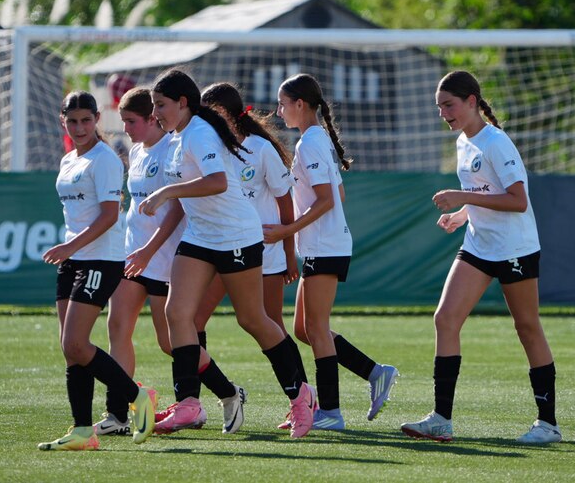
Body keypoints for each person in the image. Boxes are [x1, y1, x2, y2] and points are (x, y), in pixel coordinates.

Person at [140, 69, 316, 438]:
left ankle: (301, 395)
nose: (155, 113)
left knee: (252, 319)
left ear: (183, 103)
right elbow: (187, 193)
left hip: (236, 235)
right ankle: (188, 404)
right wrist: (151, 240)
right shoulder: (178, 137)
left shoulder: (200, 132)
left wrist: (166, 192)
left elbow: (217, 182)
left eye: (160, 105)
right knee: (178, 314)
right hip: (201, 236)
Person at [400, 70, 560, 444]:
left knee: (527, 327)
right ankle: (441, 419)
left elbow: (518, 201)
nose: (443, 113)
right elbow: (484, 191)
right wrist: (462, 214)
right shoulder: (463, 142)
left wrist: (462, 197)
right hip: (478, 244)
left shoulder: (496, 142)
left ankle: (548, 424)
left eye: (449, 105)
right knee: (445, 319)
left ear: (471, 101)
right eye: (439, 107)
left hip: (514, 248)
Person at [94, 87, 245, 436]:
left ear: (152, 118)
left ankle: (228, 392)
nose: (125, 128)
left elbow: (177, 208)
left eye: (131, 121)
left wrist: (149, 250)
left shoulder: (172, 149)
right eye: (123, 121)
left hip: (163, 258)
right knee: (117, 326)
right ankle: (118, 414)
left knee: (171, 343)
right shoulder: (137, 150)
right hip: (133, 255)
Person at [264, 73, 399, 430]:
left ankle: (331, 413)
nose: (278, 111)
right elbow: (338, 195)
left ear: (300, 104)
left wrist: (286, 231)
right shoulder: (317, 139)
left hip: (325, 247)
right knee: (304, 329)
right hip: (323, 244)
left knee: (317, 328)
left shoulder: (310, 143)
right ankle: (375, 372)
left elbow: (326, 200)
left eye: (282, 104)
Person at [38, 91, 154, 451]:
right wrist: (69, 251)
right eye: (72, 121)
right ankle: (82, 431)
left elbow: (108, 216)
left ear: (97, 119)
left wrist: (69, 247)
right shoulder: (68, 159)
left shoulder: (104, 159)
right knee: (70, 349)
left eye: (86, 120)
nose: (79, 127)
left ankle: (137, 397)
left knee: (76, 342)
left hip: (100, 260)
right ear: (63, 121)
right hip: (73, 260)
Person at [193, 83, 310, 418]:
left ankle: (302, 399)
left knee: (270, 325)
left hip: (264, 250)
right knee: (192, 321)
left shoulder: (260, 148)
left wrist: (289, 254)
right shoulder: (212, 147)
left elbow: (285, 205)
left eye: (210, 111)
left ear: (226, 113)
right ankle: (194, 401)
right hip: (223, 246)